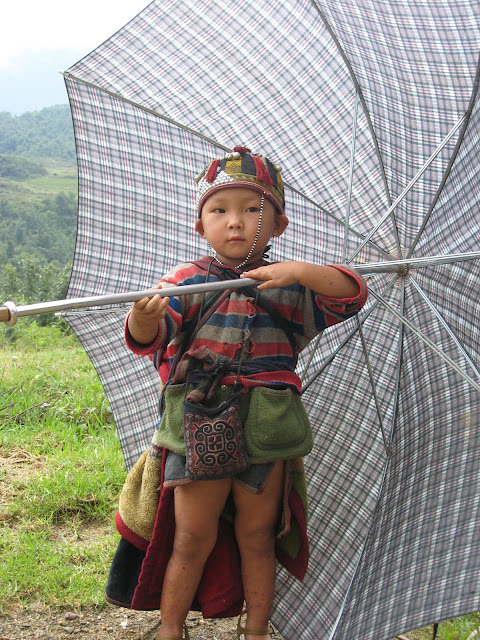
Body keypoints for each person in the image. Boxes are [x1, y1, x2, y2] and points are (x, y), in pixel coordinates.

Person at [123, 147, 368, 640]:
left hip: (267, 426)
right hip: (200, 419)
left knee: (257, 535)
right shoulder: (188, 281)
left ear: (278, 224)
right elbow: (150, 335)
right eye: (219, 210)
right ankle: (170, 629)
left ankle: (255, 630)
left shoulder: (292, 288)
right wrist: (144, 318)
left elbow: (350, 294)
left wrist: (300, 271)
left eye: (253, 209)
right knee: (191, 536)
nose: (235, 221)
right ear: (201, 226)